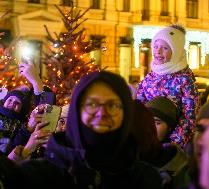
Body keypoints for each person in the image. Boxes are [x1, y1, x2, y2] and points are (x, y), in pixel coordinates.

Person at [19, 71, 162, 188]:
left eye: (112, 105)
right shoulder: (38, 176)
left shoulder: (144, 179)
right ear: (76, 110)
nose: (102, 113)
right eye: (92, 104)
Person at [137, 24, 199, 148]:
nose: (158, 51)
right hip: (147, 141)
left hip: (174, 146)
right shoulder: (149, 78)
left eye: (165, 48)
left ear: (176, 51)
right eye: (155, 46)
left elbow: (190, 117)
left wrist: (171, 145)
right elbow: (139, 109)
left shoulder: (185, 80)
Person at [132, 100, 190, 189]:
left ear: (170, 127)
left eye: (157, 122)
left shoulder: (181, 166)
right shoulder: (133, 155)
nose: (150, 126)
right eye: (147, 121)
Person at [0, 89, 32, 154]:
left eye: (17, 102)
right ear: (4, 102)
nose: (13, 103)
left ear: (22, 109)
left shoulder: (22, 125)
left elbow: (18, 144)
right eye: (10, 99)